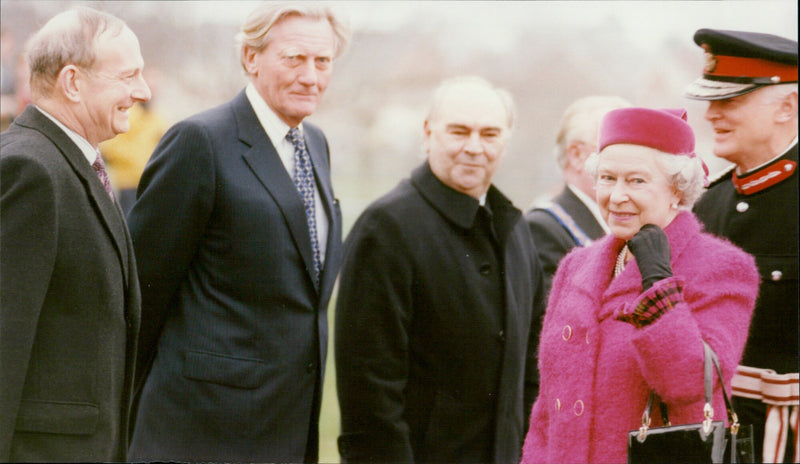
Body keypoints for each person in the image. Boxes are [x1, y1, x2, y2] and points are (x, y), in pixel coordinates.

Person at [126, 3, 349, 462]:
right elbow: (140, 295)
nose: (311, 76)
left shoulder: (316, 144)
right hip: (200, 435)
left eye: (322, 61)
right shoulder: (199, 142)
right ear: (251, 58)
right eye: (294, 58)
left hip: (286, 429)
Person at [521, 107, 759, 463]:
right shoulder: (576, 266)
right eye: (607, 178)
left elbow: (690, 384)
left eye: (636, 181)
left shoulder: (723, 268)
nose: (616, 196)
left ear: (677, 191)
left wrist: (657, 279)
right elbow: (547, 409)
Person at [335, 76, 546, 464]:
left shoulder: (515, 231)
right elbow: (370, 395)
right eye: (459, 131)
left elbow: (532, 373)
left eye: (490, 134)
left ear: (507, 140)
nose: (474, 147)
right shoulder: (386, 228)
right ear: (428, 132)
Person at [0, 7, 149, 461]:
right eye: (128, 76)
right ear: (73, 83)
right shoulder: (31, 169)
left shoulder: (72, 162)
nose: (141, 92)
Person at [685, 28, 799, 463]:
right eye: (711, 101)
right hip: (713, 439)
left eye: (729, 101)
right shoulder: (706, 204)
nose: (712, 115)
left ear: (786, 107)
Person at [525, 96, 630, 297]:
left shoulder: (626, 224)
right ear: (577, 155)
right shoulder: (544, 228)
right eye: (616, 147)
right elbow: (557, 321)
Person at [100, 67, 168, 215]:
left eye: (156, 86)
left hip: (148, 183)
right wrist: (135, 159)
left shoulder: (156, 118)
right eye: (151, 84)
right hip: (127, 183)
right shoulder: (128, 114)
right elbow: (109, 148)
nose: (153, 90)